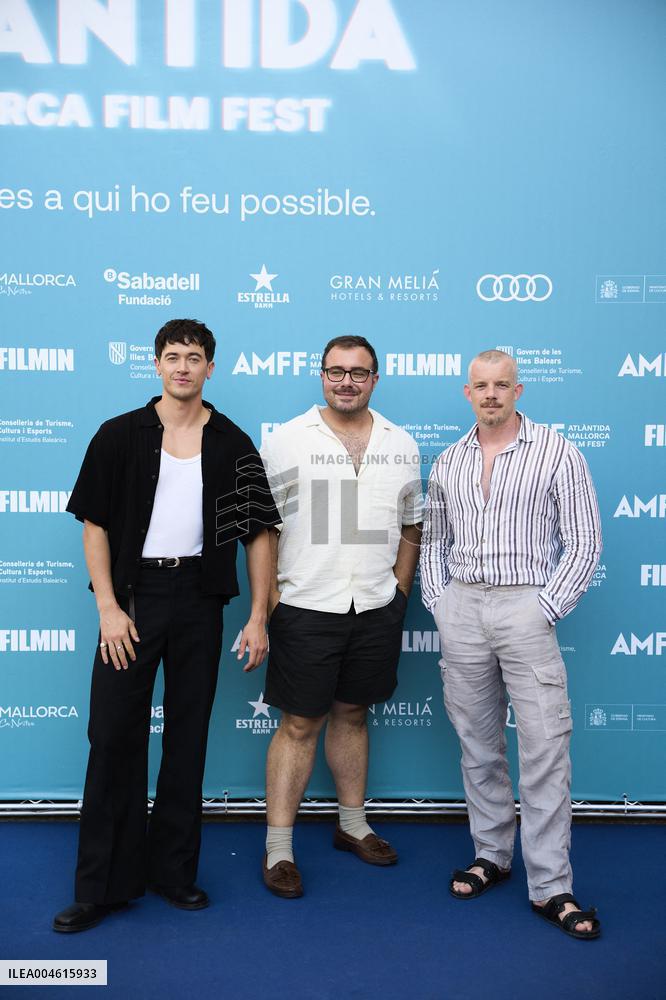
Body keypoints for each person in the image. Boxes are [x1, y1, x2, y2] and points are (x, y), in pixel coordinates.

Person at [53, 318, 279, 933]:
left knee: (188, 737)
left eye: (194, 357)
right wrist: (108, 607)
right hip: (133, 600)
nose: (183, 366)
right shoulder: (119, 435)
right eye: (173, 356)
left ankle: (174, 873)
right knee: (112, 735)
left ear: (211, 368)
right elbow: (95, 525)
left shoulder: (232, 443)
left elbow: (260, 534)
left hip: (199, 600)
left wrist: (258, 616)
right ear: (156, 365)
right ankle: (102, 886)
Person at [420, 349, 602, 940]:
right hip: (463, 608)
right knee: (478, 745)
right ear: (467, 392)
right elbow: (433, 542)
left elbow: (584, 542)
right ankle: (492, 856)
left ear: (518, 390)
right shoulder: (449, 460)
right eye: (481, 385)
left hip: (526, 605)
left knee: (545, 748)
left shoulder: (557, 452)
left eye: (502, 384)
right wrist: (441, 603)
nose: (491, 394)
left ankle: (551, 885)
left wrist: (544, 608)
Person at [259, 335, 422, 897]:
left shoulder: (402, 443)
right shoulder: (286, 440)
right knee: (299, 725)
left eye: (358, 372)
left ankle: (352, 824)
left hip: (375, 605)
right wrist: (270, 604)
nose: (346, 381)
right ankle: (279, 848)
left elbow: (412, 523)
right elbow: (263, 529)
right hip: (306, 604)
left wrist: (400, 592)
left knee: (353, 714)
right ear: (321, 375)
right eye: (336, 371)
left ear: (375, 378)